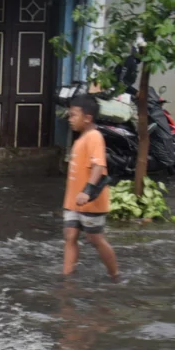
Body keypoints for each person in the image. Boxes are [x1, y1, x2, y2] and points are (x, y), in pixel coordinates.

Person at [63, 95, 119, 280]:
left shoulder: (94, 137)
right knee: (70, 236)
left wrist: (87, 191)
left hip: (91, 201)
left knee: (95, 239)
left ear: (87, 118)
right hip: (73, 202)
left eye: (73, 115)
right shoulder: (80, 139)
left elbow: (99, 166)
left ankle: (115, 274)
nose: (70, 119)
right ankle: (67, 276)